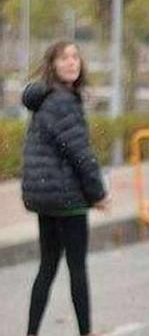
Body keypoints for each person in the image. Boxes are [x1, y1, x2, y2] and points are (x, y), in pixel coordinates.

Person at [21, 41, 110, 336]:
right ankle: (86, 332)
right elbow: (80, 153)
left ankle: (31, 333)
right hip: (66, 198)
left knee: (47, 267)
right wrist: (98, 193)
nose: (72, 63)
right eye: (63, 58)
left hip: (46, 197)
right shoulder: (63, 101)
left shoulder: (46, 98)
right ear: (53, 65)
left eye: (75, 57)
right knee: (76, 269)